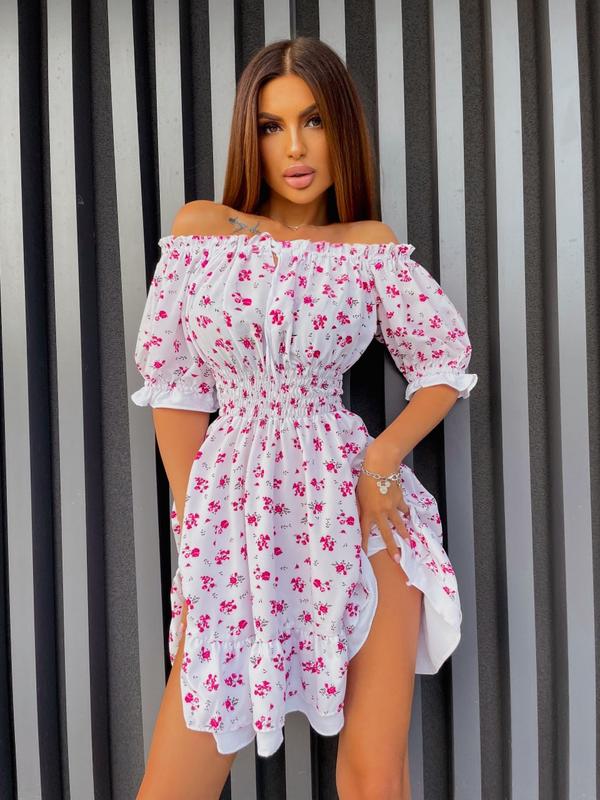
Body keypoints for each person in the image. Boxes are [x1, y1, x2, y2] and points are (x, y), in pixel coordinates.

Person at [132, 35, 477, 800]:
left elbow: (443, 365)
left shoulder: (367, 247)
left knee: (375, 778)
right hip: (235, 515)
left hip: (357, 512)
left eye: (314, 120)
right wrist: (198, 530)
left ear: (341, 128)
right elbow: (176, 386)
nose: (294, 146)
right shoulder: (202, 229)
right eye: (271, 125)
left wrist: (381, 460)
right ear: (249, 137)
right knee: (175, 781)